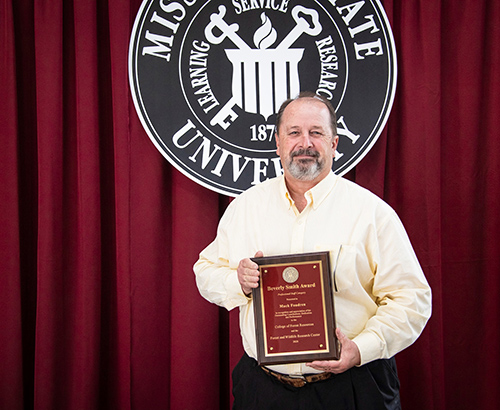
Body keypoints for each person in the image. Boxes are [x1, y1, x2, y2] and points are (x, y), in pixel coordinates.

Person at [194, 91, 432, 409]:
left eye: (316, 133)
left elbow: (412, 300)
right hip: (265, 391)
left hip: (352, 388)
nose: (305, 143)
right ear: (277, 143)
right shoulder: (246, 208)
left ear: (334, 143)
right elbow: (206, 272)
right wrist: (237, 281)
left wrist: (361, 348)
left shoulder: (372, 213)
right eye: (294, 132)